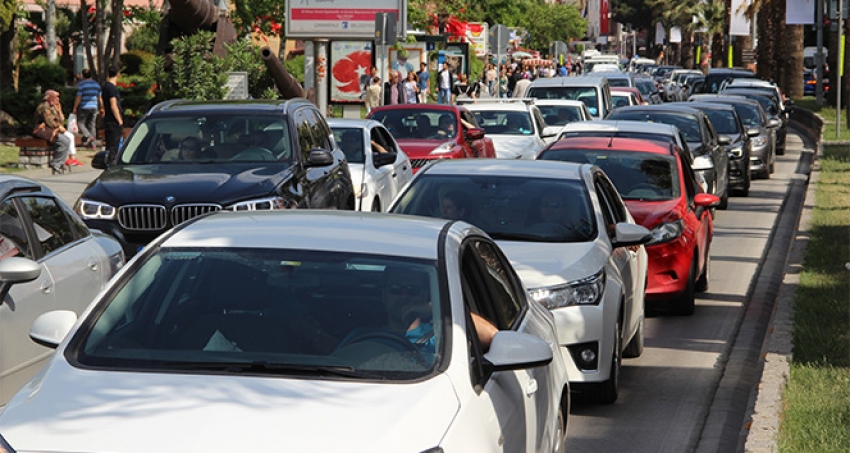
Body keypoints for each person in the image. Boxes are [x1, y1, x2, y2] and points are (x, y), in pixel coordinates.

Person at [33, 89, 70, 174]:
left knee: (67, 140)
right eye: (55, 97)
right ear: (50, 98)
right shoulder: (44, 107)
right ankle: (56, 164)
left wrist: (59, 110)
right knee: (63, 141)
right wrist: (59, 127)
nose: (57, 99)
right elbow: (49, 122)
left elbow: (60, 119)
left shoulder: (52, 106)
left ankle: (60, 162)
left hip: (50, 129)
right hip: (42, 130)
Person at [71, 68, 104, 150]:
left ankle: (88, 136)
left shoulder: (82, 85)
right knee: (92, 125)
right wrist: (102, 108)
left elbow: (79, 97)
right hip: (94, 107)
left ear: (83, 75)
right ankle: (93, 145)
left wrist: (75, 107)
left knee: (80, 123)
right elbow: (100, 98)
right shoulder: (97, 85)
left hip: (84, 107)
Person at [102, 66, 124, 156]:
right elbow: (113, 105)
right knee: (114, 145)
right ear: (118, 75)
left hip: (107, 119)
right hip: (113, 121)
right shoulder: (112, 89)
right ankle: (111, 162)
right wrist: (119, 120)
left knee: (109, 143)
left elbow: (101, 99)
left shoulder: (105, 87)